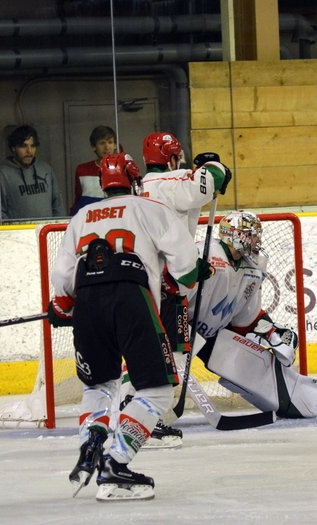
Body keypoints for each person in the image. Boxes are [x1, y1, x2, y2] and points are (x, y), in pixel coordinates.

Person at [47, 152, 212, 502]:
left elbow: (62, 283)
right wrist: (196, 274)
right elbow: (185, 271)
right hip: (131, 298)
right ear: (135, 181)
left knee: (99, 383)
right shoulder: (151, 209)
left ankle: (92, 441)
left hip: (89, 301)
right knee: (156, 390)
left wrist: (61, 306)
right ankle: (115, 463)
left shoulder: (81, 217)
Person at [121, 136, 230, 447]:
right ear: (171, 159)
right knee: (169, 354)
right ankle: (142, 419)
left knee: (148, 351)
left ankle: (135, 414)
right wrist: (214, 164)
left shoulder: (140, 186)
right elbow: (210, 180)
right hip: (167, 282)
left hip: (143, 278)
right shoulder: (170, 181)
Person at [182, 211, 317, 418]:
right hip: (178, 326)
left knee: (252, 364)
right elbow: (173, 294)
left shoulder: (254, 267)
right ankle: (135, 408)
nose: (257, 240)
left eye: (258, 235)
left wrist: (271, 332)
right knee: (160, 376)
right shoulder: (203, 255)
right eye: (251, 234)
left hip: (212, 333)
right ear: (234, 235)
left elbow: (244, 319)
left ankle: (295, 401)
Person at [0, 125, 66, 220]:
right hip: (19, 232)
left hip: (47, 231)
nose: (29, 151)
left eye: (32, 146)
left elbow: (58, 206)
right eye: (24, 146)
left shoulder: (46, 169)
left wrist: (58, 229)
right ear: (13, 148)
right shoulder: (1, 175)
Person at [70, 125, 117, 215]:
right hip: (88, 222)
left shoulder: (124, 169)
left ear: (115, 145)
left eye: (110, 142)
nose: (107, 147)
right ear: (93, 147)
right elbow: (78, 200)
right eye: (102, 143)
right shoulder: (82, 170)